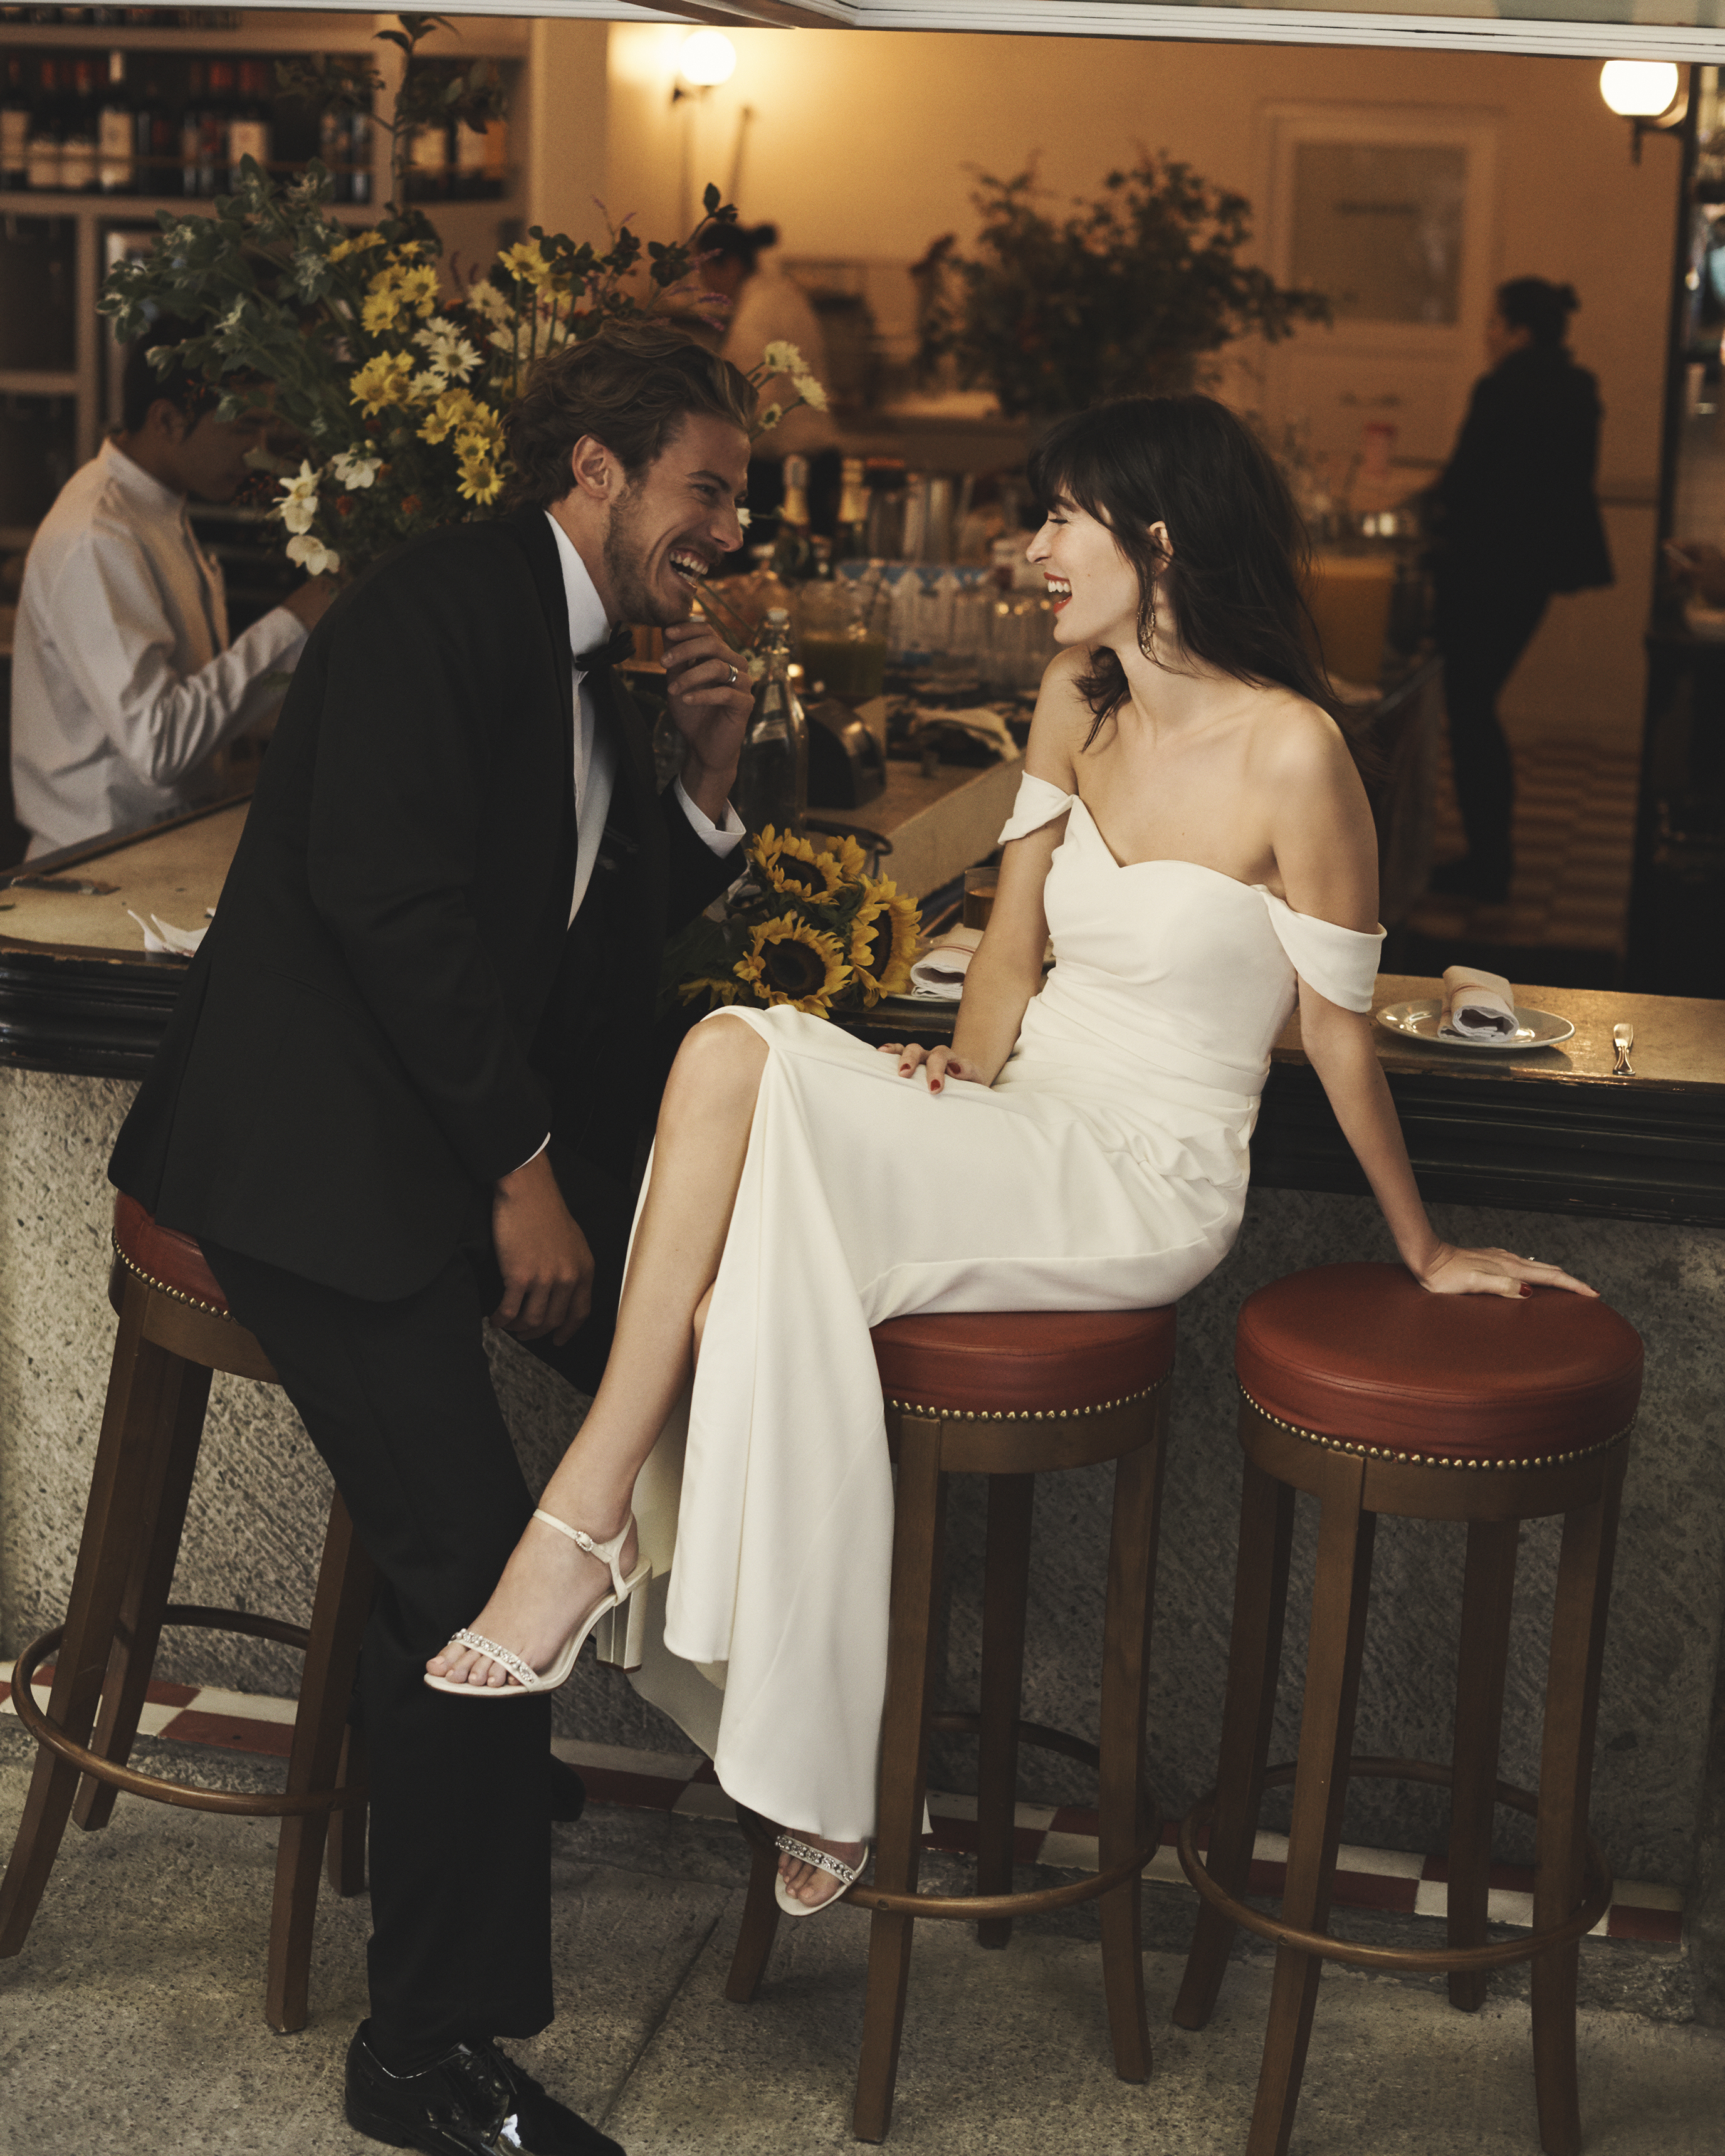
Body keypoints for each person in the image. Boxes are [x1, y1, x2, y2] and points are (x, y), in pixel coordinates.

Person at [423, 394, 1598, 1919]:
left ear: (1158, 539)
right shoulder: (1074, 700)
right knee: (731, 1065)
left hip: (1145, 1174)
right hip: (1020, 1116)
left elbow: (1344, 1038)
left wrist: (1426, 1249)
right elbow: (1010, 953)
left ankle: (596, 1562)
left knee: (751, 1216)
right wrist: (956, 1076)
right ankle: (632, 1582)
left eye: (1060, 519)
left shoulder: (1300, 754)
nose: (1029, 547)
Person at [106, 322, 759, 2155]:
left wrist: (702, 782)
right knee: (483, 1566)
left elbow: (590, 958)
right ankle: (424, 2053)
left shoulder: (605, 662)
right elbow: (388, 907)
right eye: (704, 484)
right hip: (318, 1166)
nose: (722, 523)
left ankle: (682, 1777)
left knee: (697, 1358)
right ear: (598, 469)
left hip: (446, 1155)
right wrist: (521, 1173)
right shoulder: (434, 607)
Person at [10, 317, 333, 857]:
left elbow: (192, 697)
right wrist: (296, 621)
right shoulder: (97, 534)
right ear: (168, 420)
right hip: (95, 866)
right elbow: (158, 743)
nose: (257, 453)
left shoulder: (157, 504)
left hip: (150, 850)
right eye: (241, 429)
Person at [1427, 277, 1613, 903]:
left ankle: (1487, 865)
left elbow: (1463, 481)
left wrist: (1421, 511)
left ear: (1518, 331)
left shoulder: (1501, 386)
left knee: (1470, 711)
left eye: (1493, 324)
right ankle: (1490, 859)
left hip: (1481, 570)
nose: (1486, 336)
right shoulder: (1579, 389)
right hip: (1535, 572)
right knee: (1480, 707)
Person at [699, 217, 841, 533]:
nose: (703, 282)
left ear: (732, 264)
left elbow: (758, 399)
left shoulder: (756, 313)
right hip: (815, 458)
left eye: (705, 269)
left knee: (764, 573)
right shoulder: (783, 293)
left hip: (783, 467)